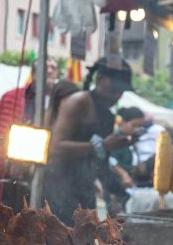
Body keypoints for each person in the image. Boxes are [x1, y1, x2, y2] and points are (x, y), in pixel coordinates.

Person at [44, 56, 136, 225]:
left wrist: (114, 193)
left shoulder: (108, 116)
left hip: (84, 188)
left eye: (120, 90)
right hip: (58, 185)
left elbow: (101, 161)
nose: (116, 95)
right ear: (100, 79)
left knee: (84, 243)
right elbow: (55, 147)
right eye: (113, 88)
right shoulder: (78, 101)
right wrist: (103, 145)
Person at [0, 58, 57, 187]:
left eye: (54, 68)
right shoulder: (11, 96)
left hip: (39, 177)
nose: (51, 71)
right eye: (46, 67)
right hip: (2, 171)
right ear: (34, 74)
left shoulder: (57, 103)